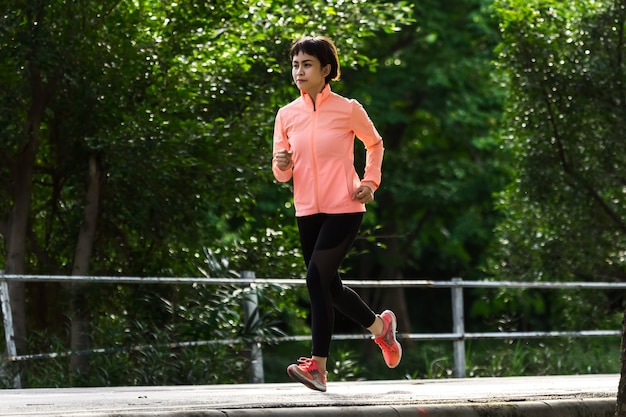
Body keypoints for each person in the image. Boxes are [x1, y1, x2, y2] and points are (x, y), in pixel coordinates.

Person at [271, 35, 402, 392]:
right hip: (307, 211)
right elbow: (281, 173)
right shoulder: (286, 115)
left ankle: (318, 367)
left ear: (326, 70)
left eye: (307, 64)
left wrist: (370, 182)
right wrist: (281, 164)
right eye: (296, 64)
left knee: (315, 279)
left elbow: (374, 143)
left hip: (345, 207)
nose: (299, 71)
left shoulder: (348, 109)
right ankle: (380, 329)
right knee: (330, 287)